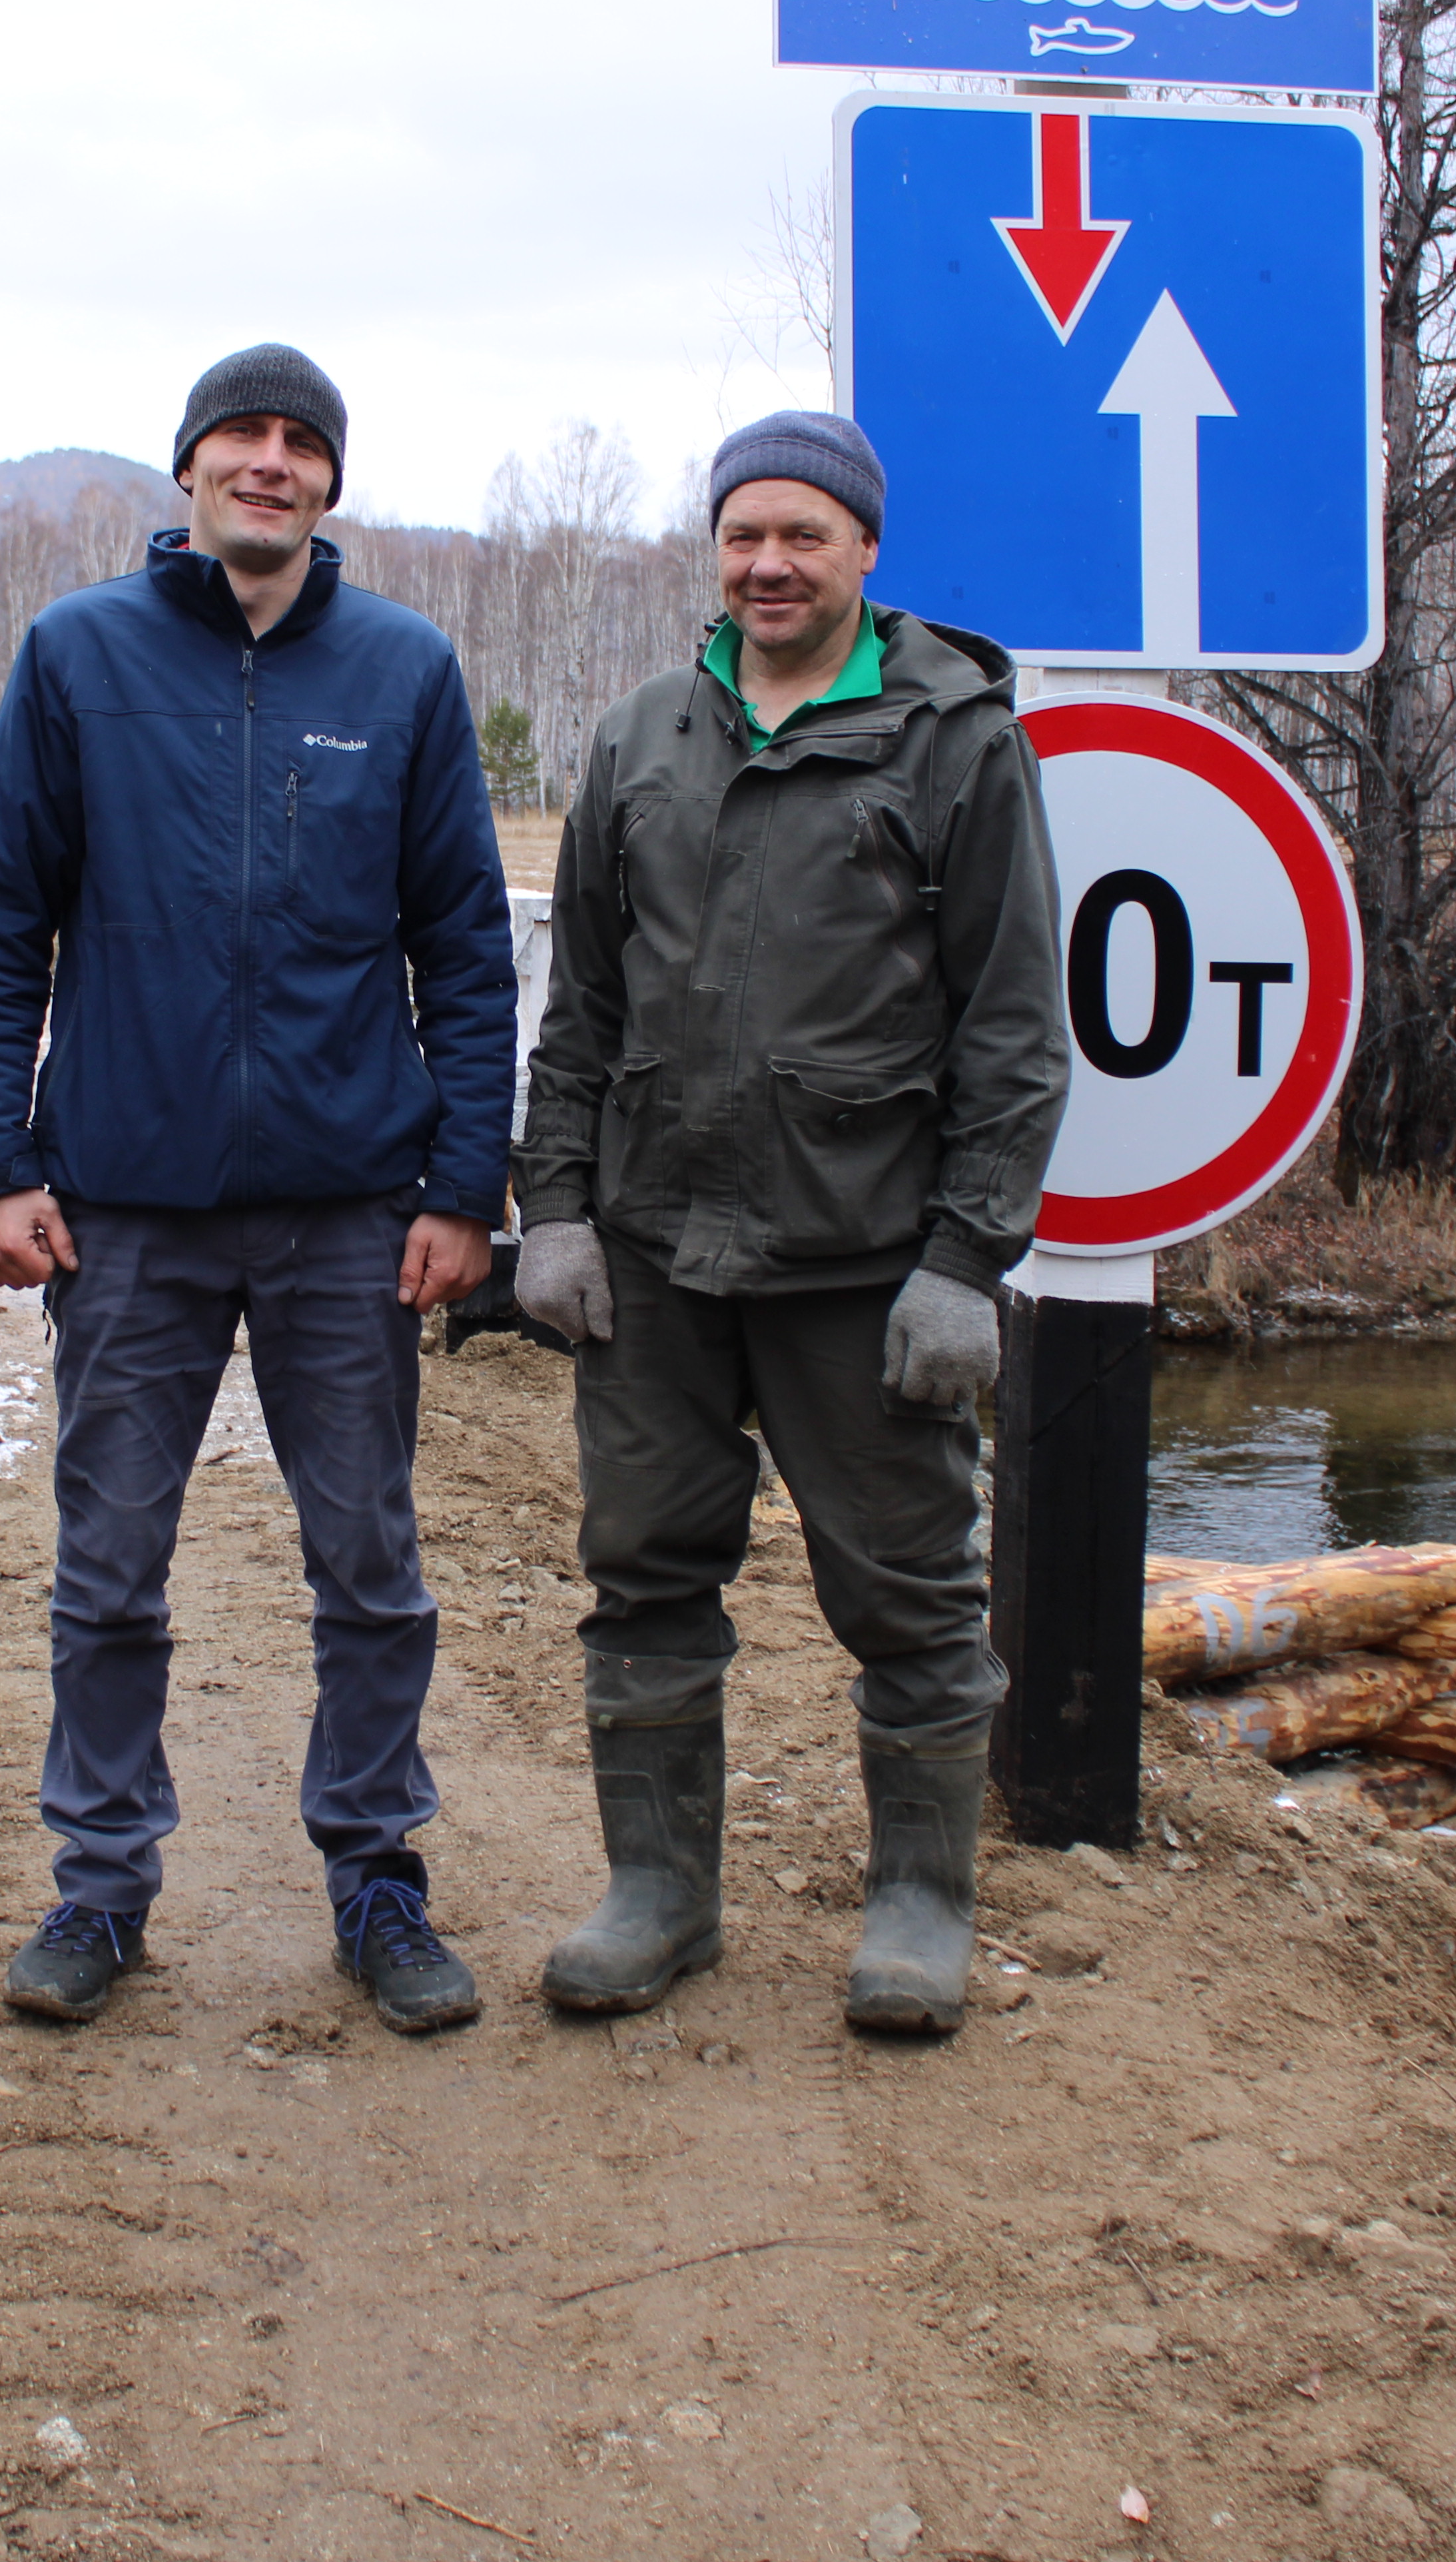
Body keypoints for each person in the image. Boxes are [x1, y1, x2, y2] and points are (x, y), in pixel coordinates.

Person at [0, 343, 518, 2036]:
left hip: (350, 1204)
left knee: (371, 1563)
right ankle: (100, 1885)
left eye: (298, 442)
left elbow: (465, 950)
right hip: (126, 1203)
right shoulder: (78, 657)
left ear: (329, 481)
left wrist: (462, 1183)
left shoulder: (403, 669)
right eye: (238, 438)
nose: (267, 463)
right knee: (108, 1565)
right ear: (186, 469)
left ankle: (377, 1876)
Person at [511, 410, 1068, 2036]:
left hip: (864, 1264)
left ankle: (920, 1901)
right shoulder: (641, 736)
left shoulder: (957, 736)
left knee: (909, 1595)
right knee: (645, 1576)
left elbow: (1013, 1028)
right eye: (744, 533)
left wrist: (969, 1256)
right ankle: (661, 1893)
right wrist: (552, 1208)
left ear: (863, 551)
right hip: (657, 1259)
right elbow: (582, 1010)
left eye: (803, 535)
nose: (768, 562)